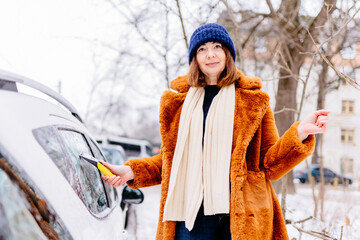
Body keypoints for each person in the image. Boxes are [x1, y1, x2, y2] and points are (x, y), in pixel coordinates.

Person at [101, 23, 329, 240]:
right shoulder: (177, 105)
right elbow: (171, 162)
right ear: (195, 59)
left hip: (239, 217)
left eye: (217, 47)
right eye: (202, 49)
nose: (210, 54)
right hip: (190, 219)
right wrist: (131, 171)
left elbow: (269, 163)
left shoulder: (253, 101)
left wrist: (299, 133)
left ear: (228, 54)